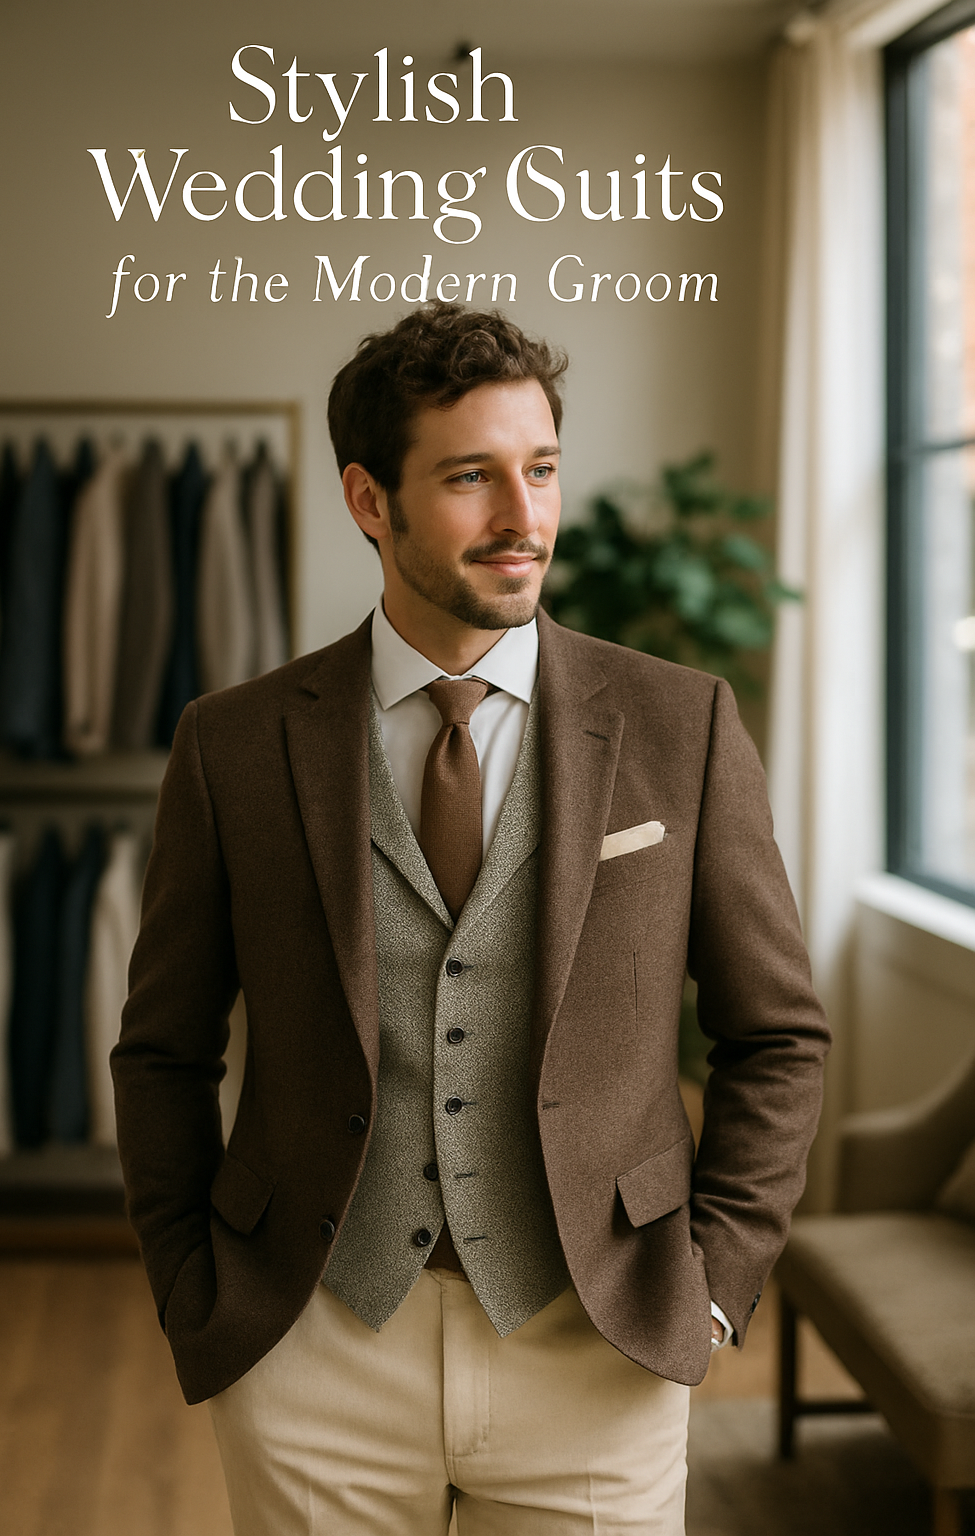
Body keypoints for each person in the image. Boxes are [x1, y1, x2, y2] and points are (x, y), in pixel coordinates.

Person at [111, 303, 830, 1535]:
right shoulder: (231, 744)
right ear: (368, 500)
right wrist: (194, 1283)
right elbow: (164, 1047)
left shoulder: (679, 722)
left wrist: (710, 1286)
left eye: (541, 468)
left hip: (596, 1345)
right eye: (470, 478)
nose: (523, 517)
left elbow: (777, 1034)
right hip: (312, 1340)